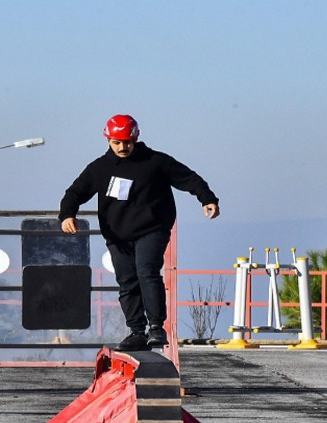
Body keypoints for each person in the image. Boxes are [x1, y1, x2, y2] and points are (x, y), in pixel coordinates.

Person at [59, 114, 220, 351]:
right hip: (117, 236)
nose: (122, 147)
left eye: (126, 142)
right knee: (127, 282)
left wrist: (207, 199)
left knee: (147, 272)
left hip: (152, 229)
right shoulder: (99, 168)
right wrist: (67, 215)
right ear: (108, 140)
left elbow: (189, 178)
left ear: (135, 138)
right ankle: (136, 331)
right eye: (116, 142)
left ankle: (156, 327)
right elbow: (74, 192)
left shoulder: (156, 162)